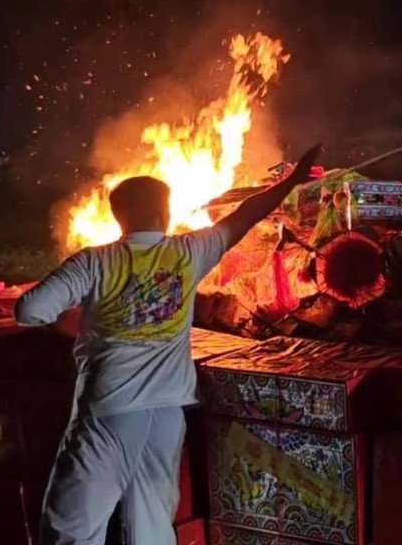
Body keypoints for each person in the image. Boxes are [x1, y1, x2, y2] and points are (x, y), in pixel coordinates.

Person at [16, 144, 321, 545]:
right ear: (165, 215)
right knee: (152, 527)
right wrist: (292, 180)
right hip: (165, 415)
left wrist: (79, 323)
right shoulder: (188, 253)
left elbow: (28, 310)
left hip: (109, 412)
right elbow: (245, 216)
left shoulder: (95, 262)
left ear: (117, 217)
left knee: (72, 527)